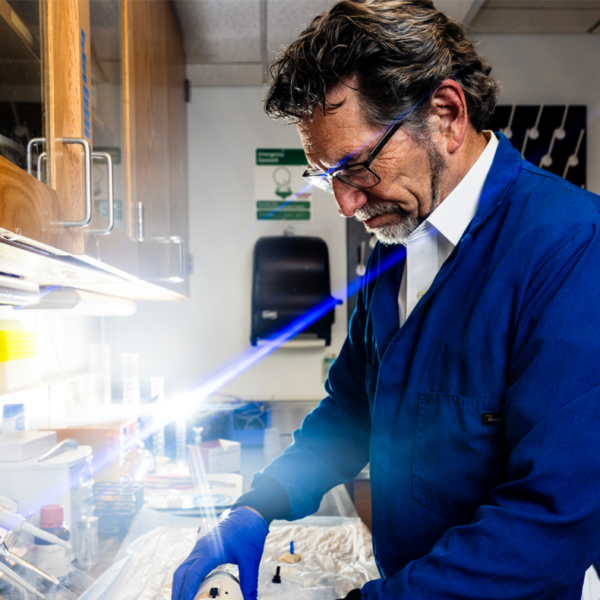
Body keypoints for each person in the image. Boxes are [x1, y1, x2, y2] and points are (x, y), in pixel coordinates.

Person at [173, 1, 600, 599]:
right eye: (328, 179)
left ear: (447, 115)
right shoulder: (395, 246)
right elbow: (352, 411)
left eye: (356, 166)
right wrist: (257, 505)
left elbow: (553, 518)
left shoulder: (572, 249)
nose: (347, 205)